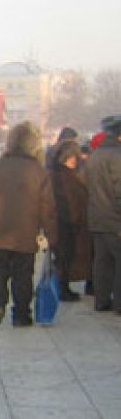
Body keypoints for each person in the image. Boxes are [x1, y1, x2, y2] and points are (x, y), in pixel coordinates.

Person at [0, 122, 57, 327]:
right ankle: (21, 313)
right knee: (23, 273)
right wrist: (51, 234)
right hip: (25, 232)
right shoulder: (38, 171)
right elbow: (47, 207)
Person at [84, 115, 121, 313]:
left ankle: (102, 299)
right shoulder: (118, 156)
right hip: (115, 219)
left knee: (101, 261)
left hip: (97, 217)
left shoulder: (95, 155)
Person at [49, 140, 91, 302]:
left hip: (71, 222)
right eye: (69, 157)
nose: (73, 160)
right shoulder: (60, 176)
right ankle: (62, 289)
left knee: (68, 256)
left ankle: (64, 287)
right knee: (64, 257)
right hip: (65, 223)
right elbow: (63, 201)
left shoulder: (69, 174)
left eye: (74, 157)